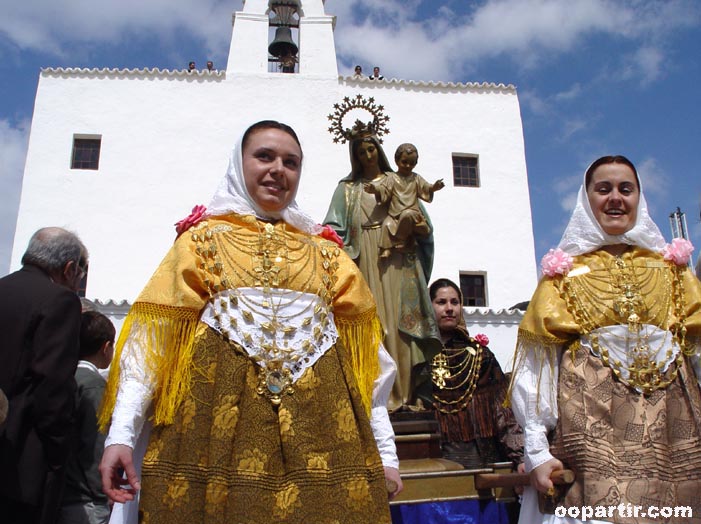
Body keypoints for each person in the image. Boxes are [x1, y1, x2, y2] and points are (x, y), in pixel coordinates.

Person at [98, 120, 402, 524]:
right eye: (264, 156)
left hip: (323, 437)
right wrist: (121, 434)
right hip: (213, 437)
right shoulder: (200, 242)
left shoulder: (330, 255)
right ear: (238, 163)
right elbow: (151, 348)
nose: (278, 169)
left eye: (291, 162)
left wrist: (386, 453)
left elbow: (370, 372)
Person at [510, 155, 701, 524]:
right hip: (593, 431)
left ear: (639, 199)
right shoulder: (563, 275)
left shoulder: (673, 272)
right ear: (587, 199)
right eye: (604, 189)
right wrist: (537, 450)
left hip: (674, 432)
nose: (615, 198)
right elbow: (538, 368)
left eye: (625, 189)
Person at [324, 126, 440, 411]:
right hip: (363, 257)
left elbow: (418, 216)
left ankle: (407, 395)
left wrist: (418, 230)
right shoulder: (347, 189)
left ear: (379, 149)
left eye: (371, 148)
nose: (367, 155)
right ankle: (377, 398)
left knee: (401, 327)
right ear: (355, 155)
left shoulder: (397, 179)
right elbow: (333, 228)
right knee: (375, 325)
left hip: (399, 258)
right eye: (361, 152)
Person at [0, 227, 88, 524]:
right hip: (23, 461)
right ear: (69, 269)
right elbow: (52, 388)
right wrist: (58, 449)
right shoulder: (60, 302)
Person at [415, 278, 523, 469]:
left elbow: (504, 409)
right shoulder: (416, 357)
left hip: (483, 455)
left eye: (455, 302)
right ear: (428, 307)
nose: (449, 308)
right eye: (441, 302)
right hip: (434, 454)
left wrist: (519, 457)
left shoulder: (481, 356)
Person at [58, 311, 116, 524]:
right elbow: (95, 446)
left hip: (61, 491)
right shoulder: (94, 385)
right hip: (85, 500)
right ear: (105, 347)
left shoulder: (64, 376)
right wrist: (104, 493)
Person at [364, 143, 444, 258]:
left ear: (415, 164)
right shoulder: (391, 178)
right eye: (404, 162)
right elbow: (384, 189)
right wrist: (374, 189)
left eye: (411, 163)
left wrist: (435, 187)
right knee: (386, 224)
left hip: (412, 214)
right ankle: (386, 249)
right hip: (394, 215)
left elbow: (426, 188)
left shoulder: (416, 178)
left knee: (407, 215)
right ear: (396, 161)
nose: (407, 166)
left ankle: (402, 241)